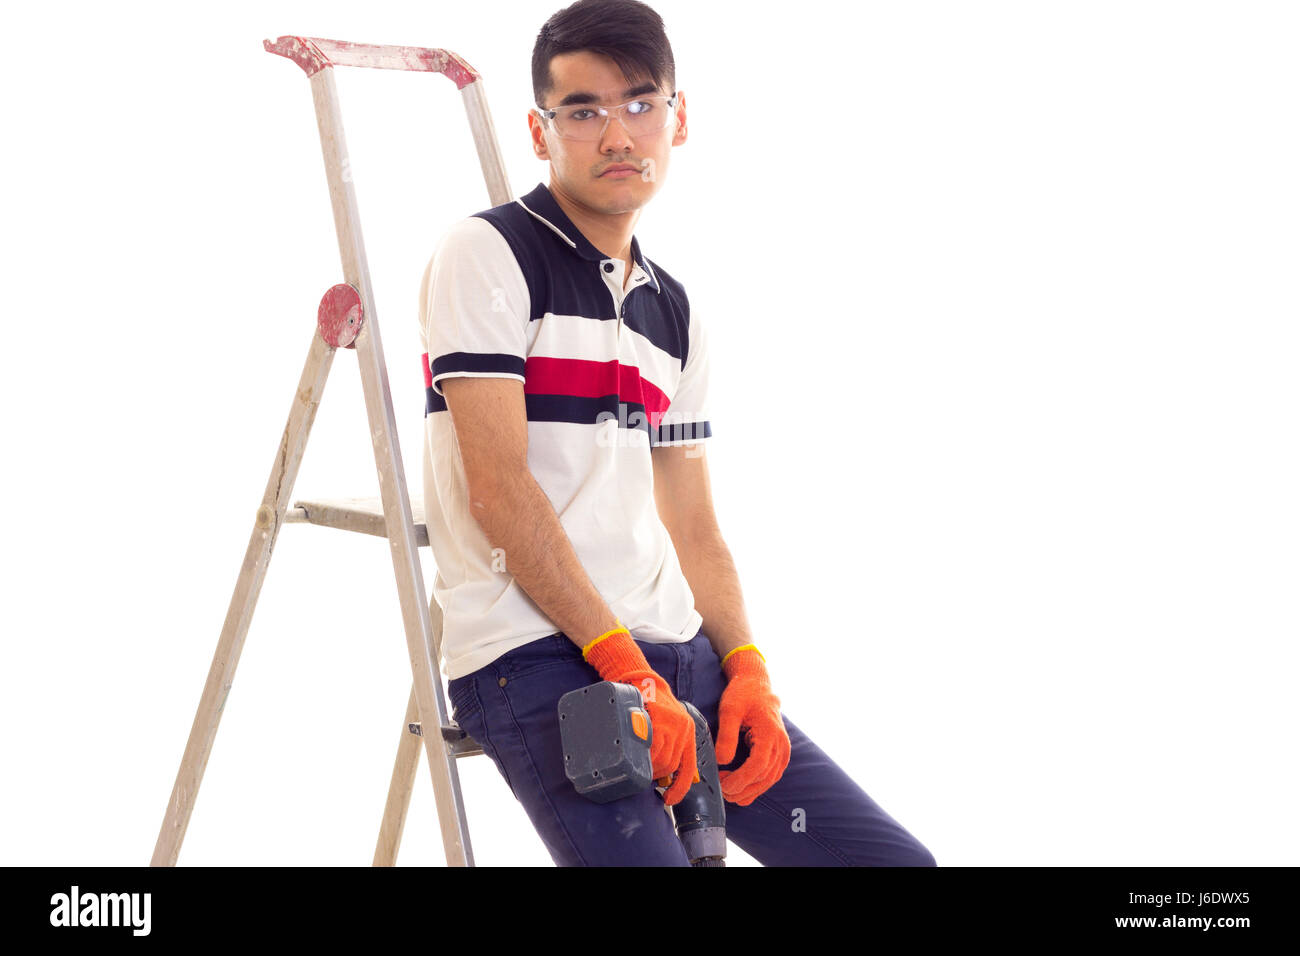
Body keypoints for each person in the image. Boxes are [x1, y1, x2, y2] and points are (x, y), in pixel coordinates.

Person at [417, 0, 936, 866]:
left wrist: (747, 669)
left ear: (677, 117)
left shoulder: (674, 310)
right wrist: (621, 664)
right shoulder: (489, 254)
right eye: (582, 111)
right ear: (540, 132)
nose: (616, 134)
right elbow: (499, 489)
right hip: (537, 657)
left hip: (676, 657)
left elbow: (693, 524)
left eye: (639, 103)